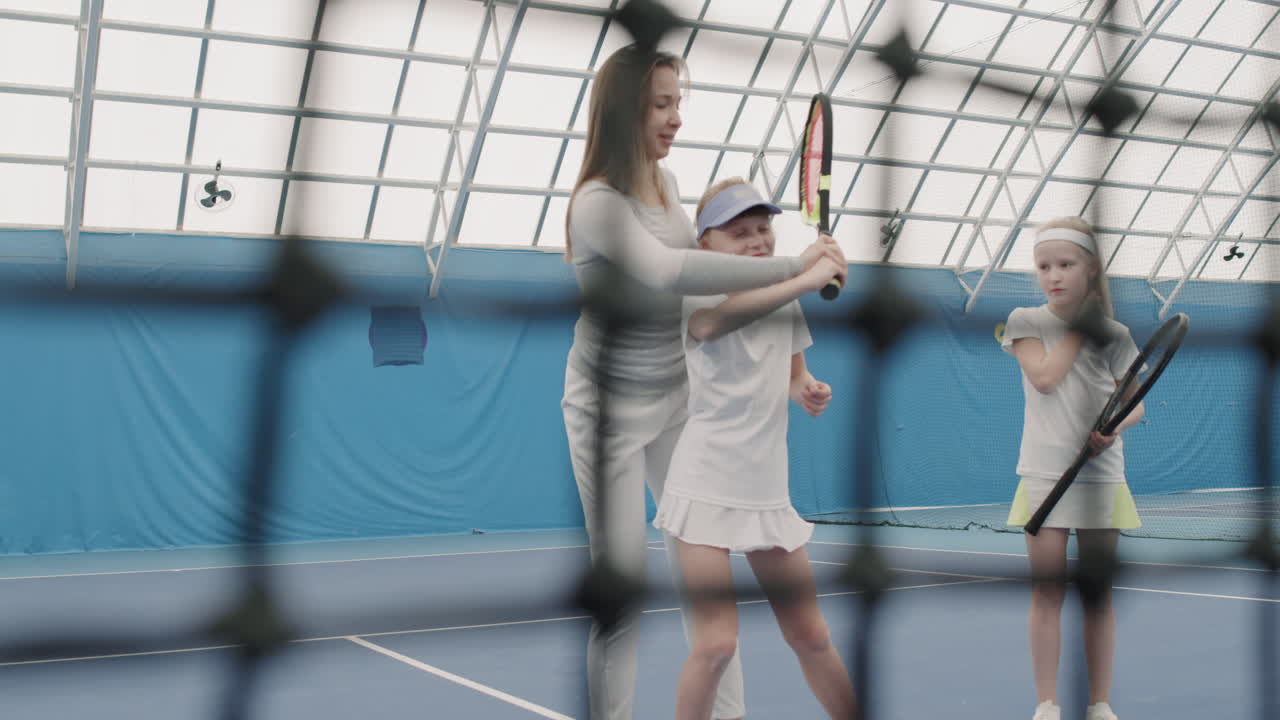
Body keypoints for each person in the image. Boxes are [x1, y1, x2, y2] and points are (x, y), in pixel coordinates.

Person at [561, 44, 847, 720]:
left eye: (677, 103)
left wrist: (787, 278)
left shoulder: (664, 185)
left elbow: (709, 274)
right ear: (625, 111)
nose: (676, 118)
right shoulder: (595, 205)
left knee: (709, 604)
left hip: (677, 403)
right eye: (662, 104)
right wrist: (797, 274)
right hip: (606, 416)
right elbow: (669, 272)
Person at [652, 177, 855, 720]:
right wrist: (804, 275)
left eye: (763, 229)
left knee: (811, 635)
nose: (757, 241)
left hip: (766, 489)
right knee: (716, 643)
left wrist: (808, 390)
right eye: (738, 233)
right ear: (705, 248)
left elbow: (793, 374)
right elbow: (717, 323)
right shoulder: (698, 291)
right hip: (704, 483)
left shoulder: (787, 301)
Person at [1002, 217, 1144, 720]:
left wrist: (1113, 429)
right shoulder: (1025, 320)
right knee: (1047, 593)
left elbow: (1135, 405)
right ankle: (1046, 703)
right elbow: (1043, 377)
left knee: (1098, 596)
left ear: (1091, 269)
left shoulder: (1117, 334)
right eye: (1044, 266)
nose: (1053, 275)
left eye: (1065, 264)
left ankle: (1099, 703)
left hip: (1102, 480)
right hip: (1043, 478)